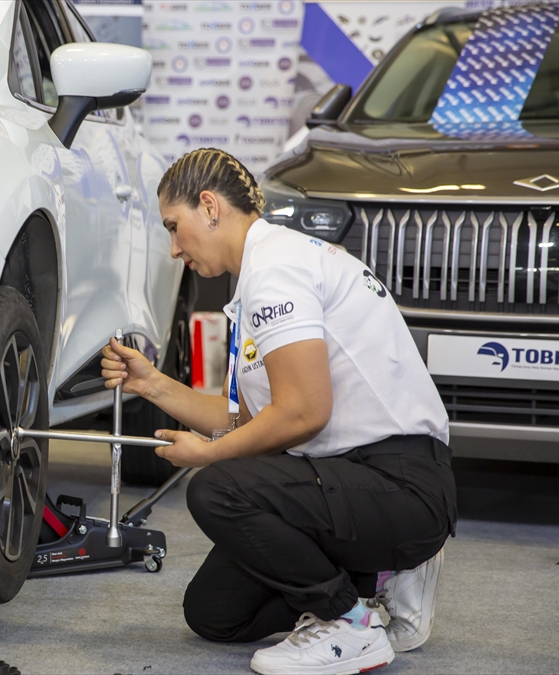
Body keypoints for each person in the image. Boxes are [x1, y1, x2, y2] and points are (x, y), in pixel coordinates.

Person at [102, 148, 456, 675]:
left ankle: (349, 623)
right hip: (344, 479)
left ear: (210, 206)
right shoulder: (260, 276)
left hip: (399, 484)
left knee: (215, 486)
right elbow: (248, 423)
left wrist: (210, 454)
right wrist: (151, 384)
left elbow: (304, 413)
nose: (174, 248)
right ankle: (374, 580)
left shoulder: (277, 268)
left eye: (175, 228)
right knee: (213, 614)